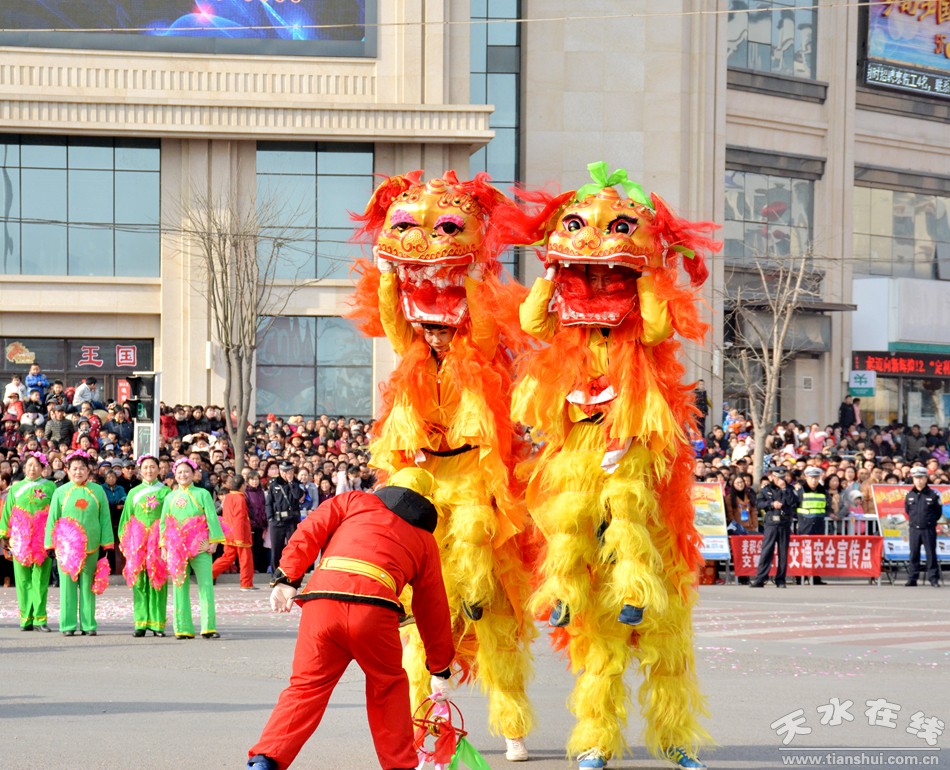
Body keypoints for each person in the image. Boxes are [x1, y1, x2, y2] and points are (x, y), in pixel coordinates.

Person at [246, 468, 454, 770]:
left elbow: (310, 530)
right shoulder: (424, 540)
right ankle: (400, 766)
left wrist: (288, 577)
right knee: (388, 688)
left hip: (323, 602)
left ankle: (265, 759)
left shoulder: (353, 501)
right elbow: (433, 606)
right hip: (375, 610)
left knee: (305, 688)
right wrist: (440, 667)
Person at [44, 450, 114, 636]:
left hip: (91, 546)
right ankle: (67, 625)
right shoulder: (60, 492)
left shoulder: (97, 491)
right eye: (74, 468)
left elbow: (105, 518)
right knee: (67, 588)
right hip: (66, 549)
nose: (78, 472)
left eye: (82, 468)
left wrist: (107, 544)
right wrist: (50, 545)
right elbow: (52, 519)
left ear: (88, 471)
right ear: (67, 470)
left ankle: (88, 624)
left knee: (88, 586)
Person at [160, 457, 224, 639]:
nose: (183, 475)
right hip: (177, 549)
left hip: (201, 546)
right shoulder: (170, 497)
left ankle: (208, 627)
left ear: (194, 473)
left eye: (186, 471)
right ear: (175, 475)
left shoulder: (203, 493)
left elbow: (212, 518)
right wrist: (164, 546)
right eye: (179, 472)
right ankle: (182, 629)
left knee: (206, 585)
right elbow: (164, 523)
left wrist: (214, 542)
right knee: (179, 587)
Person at [0, 452, 57, 631]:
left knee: (40, 580)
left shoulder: (50, 487)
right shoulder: (16, 488)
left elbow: (56, 513)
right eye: (29, 465)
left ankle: (40, 619)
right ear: (24, 467)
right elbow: (7, 513)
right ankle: (26, 619)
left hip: (43, 541)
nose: (32, 468)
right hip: (20, 540)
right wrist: (4, 535)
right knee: (23, 580)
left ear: (43, 468)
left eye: (36, 465)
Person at [118, 454, 170, 637]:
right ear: (140, 471)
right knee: (139, 582)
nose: (149, 470)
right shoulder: (133, 493)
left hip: (158, 543)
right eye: (145, 467)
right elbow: (126, 520)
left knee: (158, 580)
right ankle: (140, 622)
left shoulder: (166, 492)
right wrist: (126, 543)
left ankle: (157, 624)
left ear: (159, 469)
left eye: (152, 467)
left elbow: (170, 519)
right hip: (138, 544)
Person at [751, 467, 796, 589]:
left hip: (784, 523)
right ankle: (760, 578)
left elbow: (793, 502)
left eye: (783, 477)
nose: (781, 480)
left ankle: (780, 579)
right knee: (766, 551)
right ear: (773, 477)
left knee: (783, 553)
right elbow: (759, 503)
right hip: (771, 524)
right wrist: (771, 504)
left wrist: (784, 489)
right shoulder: (766, 489)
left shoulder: (789, 489)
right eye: (778, 478)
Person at [211, 476, 256, 590]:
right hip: (240, 534)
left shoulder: (228, 497)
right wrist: (239, 537)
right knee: (246, 560)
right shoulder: (240, 498)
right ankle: (246, 583)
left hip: (229, 533)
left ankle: (208, 574)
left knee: (227, 557)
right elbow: (239, 518)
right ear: (242, 486)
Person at [904, 466, 942, 587]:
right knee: (914, 554)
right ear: (913, 479)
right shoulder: (909, 495)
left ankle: (933, 578)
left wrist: (930, 521)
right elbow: (908, 510)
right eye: (916, 478)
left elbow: (938, 512)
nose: (919, 480)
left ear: (926, 479)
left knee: (930, 554)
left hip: (928, 528)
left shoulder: (933, 494)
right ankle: (912, 578)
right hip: (914, 529)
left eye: (921, 478)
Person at [265, 461, 303, 573]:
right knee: (276, 549)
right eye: (283, 471)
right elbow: (269, 503)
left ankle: (292, 572)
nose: (285, 474)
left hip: (292, 521)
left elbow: (297, 495)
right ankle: (275, 574)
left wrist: (291, 482)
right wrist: (270, 518)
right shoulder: (274, 484)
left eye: (288, 471)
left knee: (293, 548)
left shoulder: (297, 483)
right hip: (277, 521)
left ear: (292, 471)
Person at [794, 466, 830, 585]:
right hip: (805, 525)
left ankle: (815, 577)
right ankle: (800, 576)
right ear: (806, 478)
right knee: (803, 551)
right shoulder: (800, 491)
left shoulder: (823, 491)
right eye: (811, 478)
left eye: (816, 478)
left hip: (819, 524)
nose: (814, 480)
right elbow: (794, 507)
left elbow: (827, 506)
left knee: (817, 551)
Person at [244, 470, 269, 573]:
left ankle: (256, 567)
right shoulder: (246, 493)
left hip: (260, 524)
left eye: (257, 479)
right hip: (251, 524)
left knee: (258, 547)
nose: (255, 482)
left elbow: (264, 507)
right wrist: (252, 521)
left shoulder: (261, 492)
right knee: (251, 547)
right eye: (252, 479)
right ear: (248, 480)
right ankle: (250, 567)